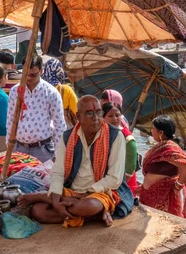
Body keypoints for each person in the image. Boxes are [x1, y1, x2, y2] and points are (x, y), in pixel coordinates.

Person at [17, 95, 133, 228]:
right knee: (38, 211)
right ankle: (93, 215)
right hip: (73, 190)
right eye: (89, 113)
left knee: (89, 205)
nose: (96, 118)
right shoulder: (67, 137)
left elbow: (114, 179)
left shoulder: (115, 136)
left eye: (99, 112)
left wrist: (85, 194)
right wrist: (56, 201)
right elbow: (58, 171)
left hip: (101, 192)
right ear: (78, 116)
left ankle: (46, 198)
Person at [139, 115, 186, 223]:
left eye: (153, 129)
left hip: (163, 196)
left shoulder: (169, 148)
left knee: (164, 227)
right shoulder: (160, 146)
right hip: (151, 194)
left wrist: (178, 185)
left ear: (161, 133)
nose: (151, 131)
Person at [7, 54, 66, 163]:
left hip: (43, 150)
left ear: (41, 71)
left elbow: (60, 126)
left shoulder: (51, 93)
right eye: (26, 74)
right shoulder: (15, 91)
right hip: (19, 149)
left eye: (33, 75)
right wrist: (9, 145)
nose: (29, 78)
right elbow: (10, 119)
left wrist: (57, 154)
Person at [102, 102, 138, 195]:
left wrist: (116, 188)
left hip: (124, 186)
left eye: (117, 115)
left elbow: (129, 169)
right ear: (103, 117)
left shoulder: (128, 139)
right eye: (110, 116)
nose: (115, 118)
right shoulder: (100, 135)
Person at [42, 58, 78, 130]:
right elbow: (77, 111)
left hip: (44, 128)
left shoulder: (41, 89)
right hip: (64, 127)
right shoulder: (66, 90)